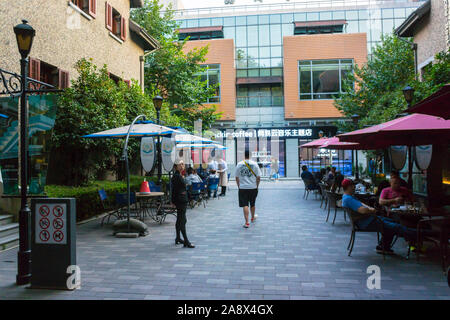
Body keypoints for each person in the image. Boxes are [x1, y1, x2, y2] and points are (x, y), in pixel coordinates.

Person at [341, 178, 421, 254]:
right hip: (367, 222)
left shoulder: (347, 197)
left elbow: (361, 204)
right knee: (396, 227)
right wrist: (372, 210)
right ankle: (419, 235)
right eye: (353, 186)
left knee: (392, 222)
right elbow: (363, 210)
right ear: (349, 187)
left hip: (367, 220)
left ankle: (383, 246)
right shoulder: (349, 199)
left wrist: (370, 208)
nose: (354, 187)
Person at [171, 160, 195, 248]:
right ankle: (186, 241)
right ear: (175, 166)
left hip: (180, 200)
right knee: (182, 220)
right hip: (181, 200)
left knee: (180, 219)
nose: (182, 166)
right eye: (180, 164)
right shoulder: (177, 176)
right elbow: (178, 189)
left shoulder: (178, 175)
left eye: (183, 164)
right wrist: (173, 201)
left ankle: (178, 237)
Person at [235, 150, 262, 228]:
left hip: (243, 187)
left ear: (244, 155)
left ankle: (247, 222)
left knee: (245, 204)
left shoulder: (239, 164)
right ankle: (252, 217)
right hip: (253, 187)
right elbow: (258, 177)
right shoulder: (255, 164)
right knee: (252, 203)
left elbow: (236, 177)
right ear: (250, 155)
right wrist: (257, 185)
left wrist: (239, 186)